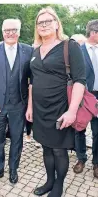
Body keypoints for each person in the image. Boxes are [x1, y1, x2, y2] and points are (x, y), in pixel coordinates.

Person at [26, 7, 86, 197]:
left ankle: (58, 185)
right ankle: (49, 181)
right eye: (40, 22)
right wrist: (30, 107)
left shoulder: (70, 46)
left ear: (57, 23)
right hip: (39, 110)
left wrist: (72, 111)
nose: (44, 25)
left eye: (48, 21)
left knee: (59, 150)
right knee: (46, 147)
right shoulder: (35, 50)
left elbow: (79, 80)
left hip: (61, 108)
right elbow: (32, 81)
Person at [0, 19, 33, 186]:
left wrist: (30, 105)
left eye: (13, 30)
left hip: (19, 104)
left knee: (17, 138)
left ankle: (13, 169)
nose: (10, 33)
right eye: (7, 30)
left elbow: (32, 79)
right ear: (2, 32)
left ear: (19, 31)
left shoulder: (29, 50)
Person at [73, 19, 98, 179]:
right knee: (79, 130)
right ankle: (81, 158)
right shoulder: (78, 51)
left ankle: (97, 162)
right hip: (83, 97)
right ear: (94, 33)